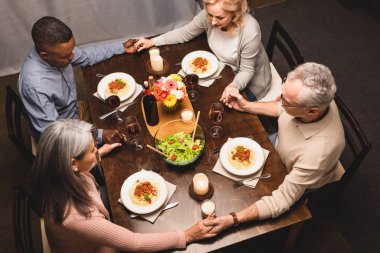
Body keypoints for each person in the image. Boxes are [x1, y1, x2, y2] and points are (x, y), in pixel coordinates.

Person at [29, 119, 216, 252]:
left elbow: (82, 168)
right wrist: (187, 235)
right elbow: (135, 243)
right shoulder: (75, 216)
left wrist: (100, 152)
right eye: (92, 150)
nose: (96, 151)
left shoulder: (57, 170)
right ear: (73, 163)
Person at [205, 62, 345, 232]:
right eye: (283, 87)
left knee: (235, 196)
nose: (278, 99)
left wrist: (233, 219)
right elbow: (282, 109)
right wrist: (247, 106)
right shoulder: (310, 101)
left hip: (297, 177)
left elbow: (281, 200)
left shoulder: (317, 154)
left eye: (285, 100)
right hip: (280, 146)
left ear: (311, 112)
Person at [17, 16, 135, 151]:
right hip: (60, 137)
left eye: (72, 51)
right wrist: (99, 135)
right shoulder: (35, 86)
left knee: (122, 119)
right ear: (45, 55)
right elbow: (54, 137)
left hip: (74, 113)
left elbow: (86, 56)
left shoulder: (58, 51)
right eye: (66, 56)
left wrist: (121, 47)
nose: (72, 57)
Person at [134, 0, 271, 102]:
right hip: (225, 71)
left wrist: (233, 86)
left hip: (250, 84)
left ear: (235, 14)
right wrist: (152, 42)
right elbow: (185, 33)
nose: (212, 22)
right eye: (210, 15)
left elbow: (247, 71)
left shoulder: (250, 30)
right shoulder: (210, 15)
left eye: (220, 18)